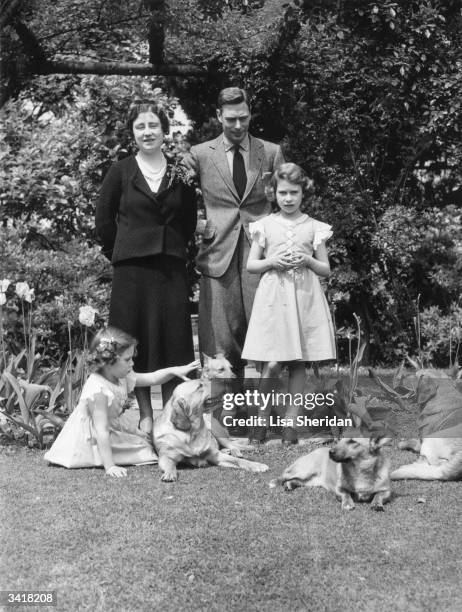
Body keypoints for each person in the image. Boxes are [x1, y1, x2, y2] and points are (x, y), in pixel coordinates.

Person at [95, 100, 197, 435]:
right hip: (131, 273)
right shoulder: (121, 171)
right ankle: (145, 415)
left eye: (153, 125)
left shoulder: (179, 172)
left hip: (169, 270)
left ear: (164, 130)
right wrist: (120, 253)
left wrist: (173, 249)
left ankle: (169, 413)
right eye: (140, 126)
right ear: (132, 133)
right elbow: (103, 219)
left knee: (172, 340)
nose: (147, 132)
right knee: (133, 342)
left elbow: (188, 219)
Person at [184, 87, 284, 378]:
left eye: (243, 117)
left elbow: (288, 200)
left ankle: (268, 421)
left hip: (263, 257)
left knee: (269, 340)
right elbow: (172, 194)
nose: (238, 125)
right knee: (220, 346)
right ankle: (224, 421)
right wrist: (196, 224)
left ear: (250, 114)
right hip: (218, 255)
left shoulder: (272, 152)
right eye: (230, 119)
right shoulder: (200, 154)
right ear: (219, 116)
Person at [241, 163, 336, 444]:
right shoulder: (264, 225)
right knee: (271, 364)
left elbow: (326, 269)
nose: (288, 198)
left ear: (302, 193)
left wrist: (308, 260)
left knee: (298, 363)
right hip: (274, 299)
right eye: (283, 193)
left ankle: (290, 426)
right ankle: (260, 420)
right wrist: (272, 261)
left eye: (294, 192)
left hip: (304, 298)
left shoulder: (314, 227)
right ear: (274, 193)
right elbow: (251, 265)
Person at [44, 327, 199, 477]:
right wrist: (110, 466)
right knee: (146, 451)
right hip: (91, 438)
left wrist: (174, 371)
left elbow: (152, 378)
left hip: (111, 428)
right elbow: (101, 430)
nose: (132, 363)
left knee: (146, 444)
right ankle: (103, 458)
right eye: (127, 359)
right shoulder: (98, 389)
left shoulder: (122, 377)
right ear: (109, 362)